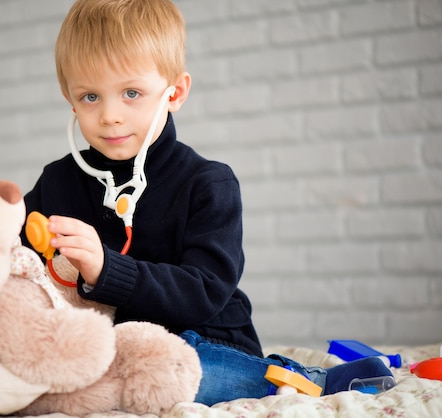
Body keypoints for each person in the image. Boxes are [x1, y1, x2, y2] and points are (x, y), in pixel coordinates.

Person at [21, 0, 393, 405]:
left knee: (174, 373)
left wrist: (108, 270)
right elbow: (12, 251)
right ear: (69, 99)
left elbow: (204, 291)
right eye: (90, 96)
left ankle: (305, 378)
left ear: (174, 93)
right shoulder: (58, 180)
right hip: (112, 347)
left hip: (203, 337)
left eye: (132, 93)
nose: (110, 115)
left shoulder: (207, 183)